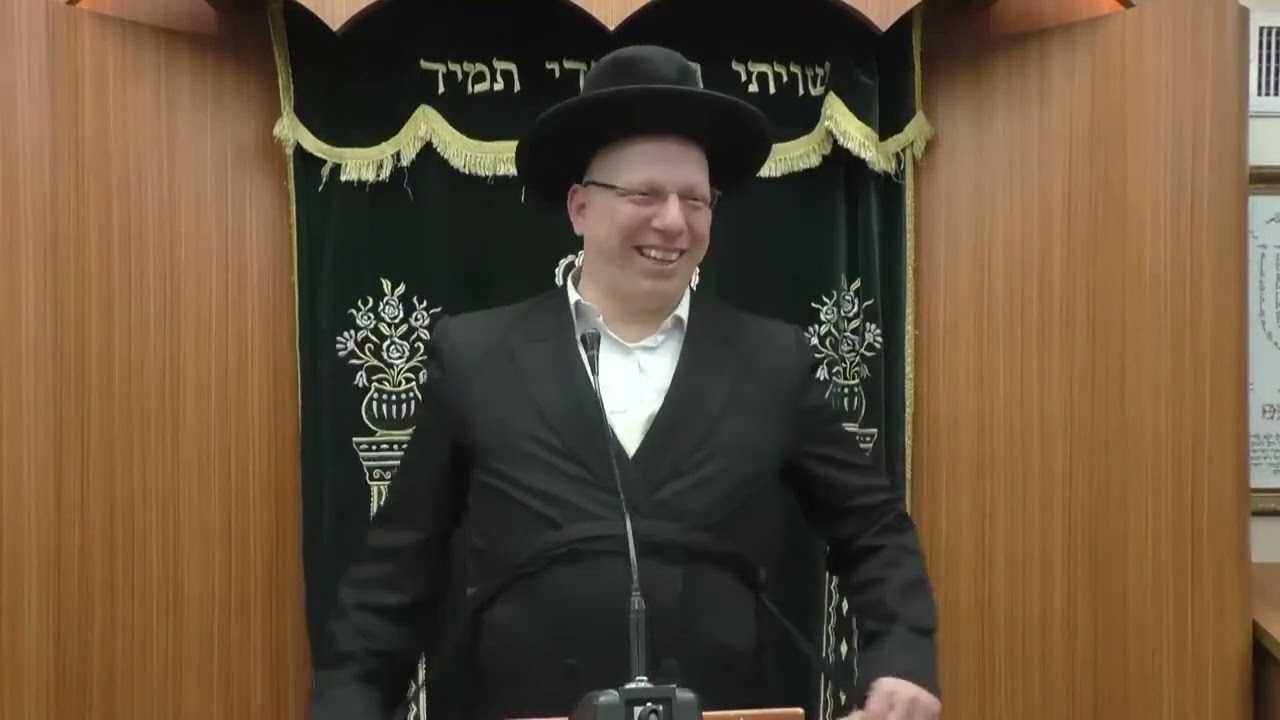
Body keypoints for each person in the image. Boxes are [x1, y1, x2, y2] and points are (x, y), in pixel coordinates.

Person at [310, 45, 941, 720]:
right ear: (580, 207)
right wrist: (351, 700)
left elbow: (873, 528)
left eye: (695, 199)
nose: (673, 221)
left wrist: (902, 658)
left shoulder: (773, 362)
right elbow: (395, 574)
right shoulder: (475, 357)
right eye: (644, 194)